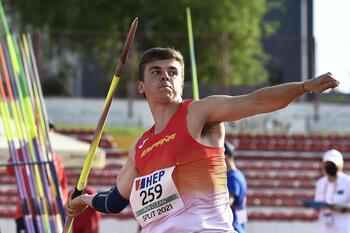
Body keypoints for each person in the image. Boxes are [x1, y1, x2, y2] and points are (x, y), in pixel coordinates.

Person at [66, 47, 339, 233]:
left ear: (181, 82)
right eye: (156, 72)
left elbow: (256, 101)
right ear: (141, 86)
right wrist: (85, 201)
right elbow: (114, 201)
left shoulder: (197, 113)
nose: (165, 76)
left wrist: (303, 87)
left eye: (172, 72)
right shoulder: (141, 147)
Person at [314, 149, 350, 233]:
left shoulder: (348, 182)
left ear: (341, 164)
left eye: (333, 164)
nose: (330, 166)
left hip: (343, 227)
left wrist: (342, 209)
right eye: (328, 164)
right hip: (324, 227)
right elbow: (317, 203)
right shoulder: (320, 183)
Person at [224, 141, 247, 233]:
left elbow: (228, 203)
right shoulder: (239, 175)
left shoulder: (232, 177)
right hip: (239, 227)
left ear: (226, 156)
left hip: (233, 227)